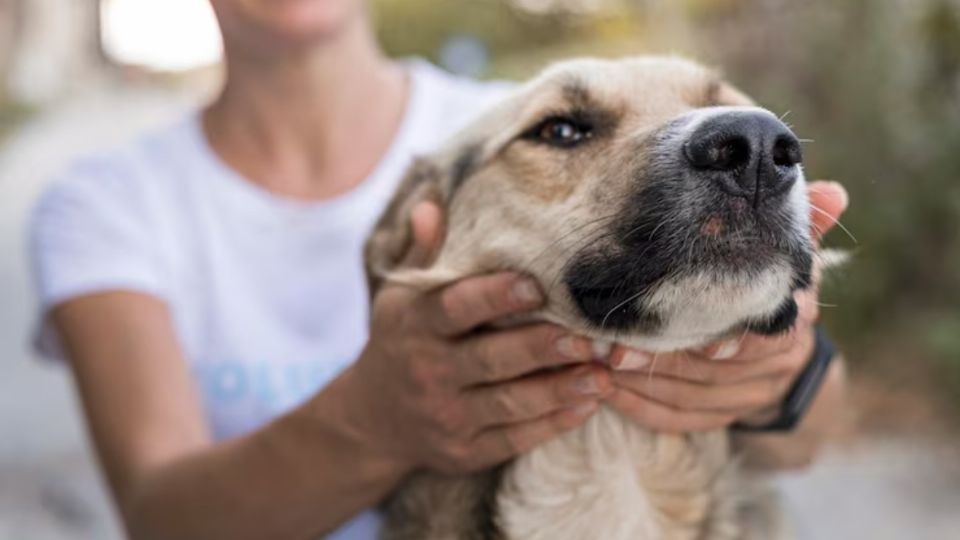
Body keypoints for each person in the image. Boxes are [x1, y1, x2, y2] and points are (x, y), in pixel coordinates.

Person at [28, 1, 850, 538]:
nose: (741, 149)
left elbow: (816, 431)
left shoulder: (486, 111)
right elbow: (160, 515)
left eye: (726, 124)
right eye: (567, 133)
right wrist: (373, 418)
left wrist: (784, 375)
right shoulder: (106, 203)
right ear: (400, 251)